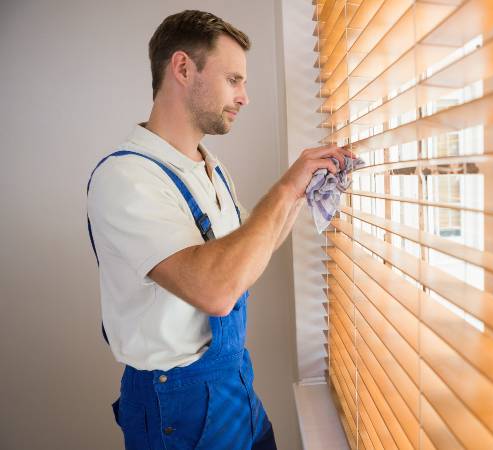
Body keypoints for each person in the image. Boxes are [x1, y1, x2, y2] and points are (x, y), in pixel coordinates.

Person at [86, 10, 353, 449]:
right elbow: (217, 288)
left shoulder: (210, 167)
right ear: (183, 69)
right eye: (234, 80)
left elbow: (249, 249)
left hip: (235, 383)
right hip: (177, 406)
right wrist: (286, 188)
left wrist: (304, 189)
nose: (244, 97)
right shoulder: (127, 179)